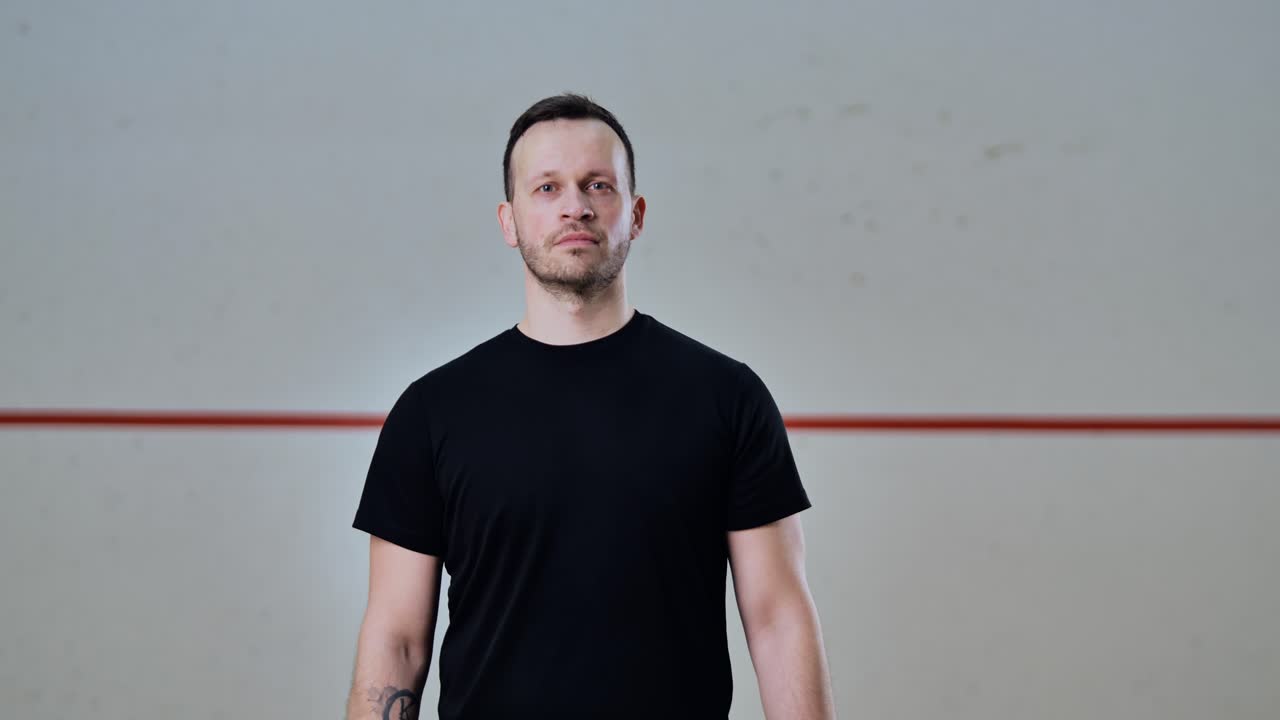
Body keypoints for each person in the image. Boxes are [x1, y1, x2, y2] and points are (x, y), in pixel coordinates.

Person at [345, 93, 836, 720]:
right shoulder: (430, 412)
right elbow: (397, 640)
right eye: (547, 187)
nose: (574, 205)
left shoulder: (728, 397)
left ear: (634, 213)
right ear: (509, 221)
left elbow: (777, 619)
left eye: (597, 185)